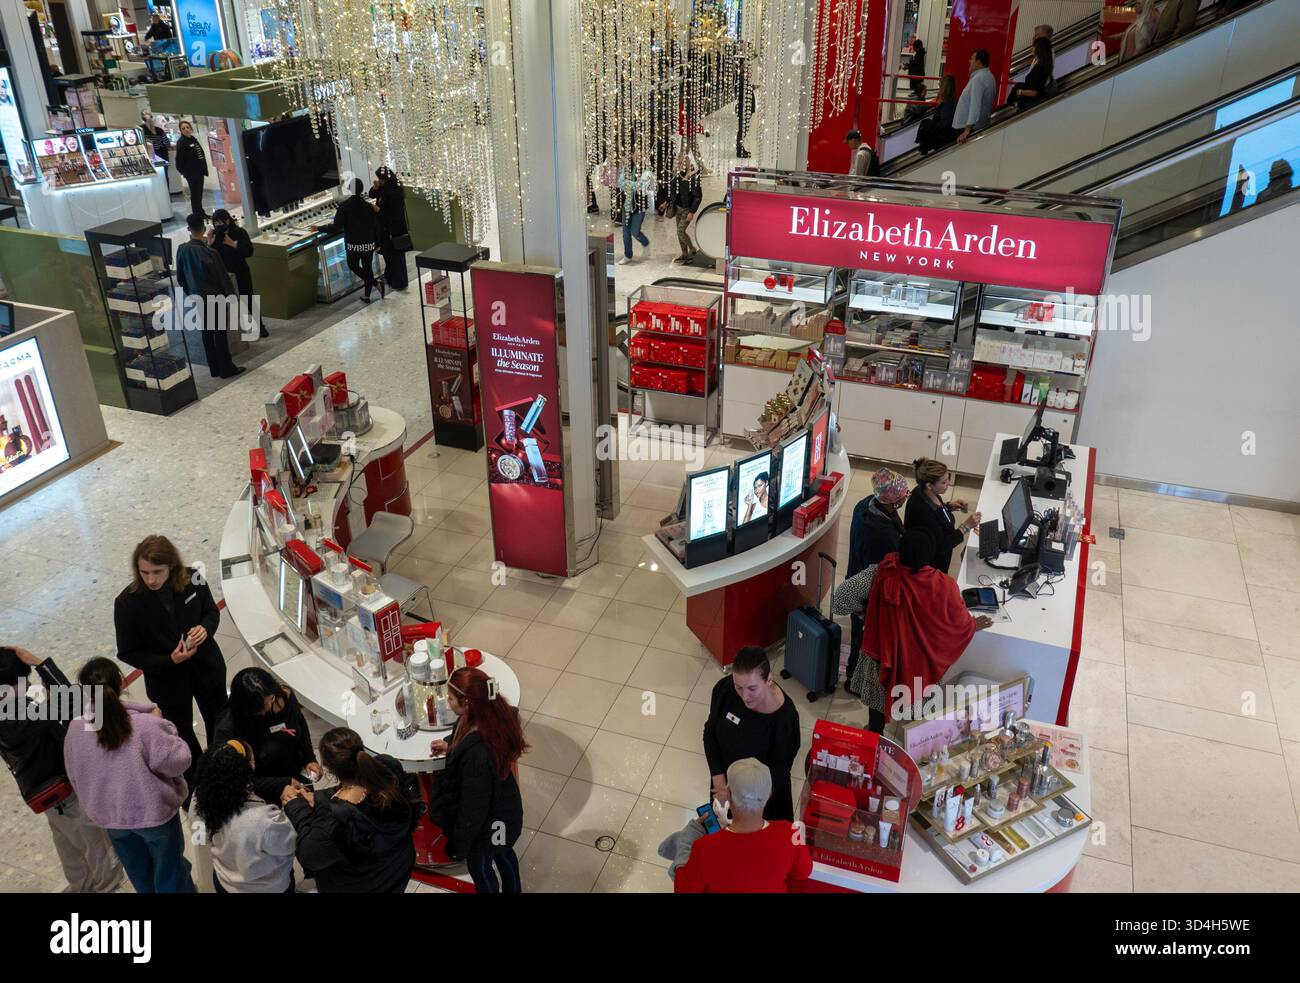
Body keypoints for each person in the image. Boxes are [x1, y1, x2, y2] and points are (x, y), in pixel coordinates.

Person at [63, 658, 194, 893]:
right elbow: (179, 761)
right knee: (170, 875)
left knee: (140, 876)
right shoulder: (145, 725)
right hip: (154, 815)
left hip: (112, 818)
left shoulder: (76, 729)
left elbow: (74, 774)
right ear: (121, 683)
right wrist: (162, 725)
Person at [0, 645, 123, 893]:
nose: (28, 684)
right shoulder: (16, 716)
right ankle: (107, 884)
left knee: (65, 840)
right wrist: (41, 663)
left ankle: (81, 884)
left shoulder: (10, 710)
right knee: (89, 839)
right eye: (24, 680)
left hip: (38, 787)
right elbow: (72, 701)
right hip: (60, 788)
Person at [114, 535, 228, 799]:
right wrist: (169, 661)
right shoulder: (127, 603)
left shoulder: (194, 578)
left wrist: (205, 630)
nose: (151, 579)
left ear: (172, 567)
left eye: (157, 572)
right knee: (181, 735)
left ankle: (221, 771)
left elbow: (211, 612)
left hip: (207, 669)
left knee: (218, 724)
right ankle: (198, 786)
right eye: (145, 573)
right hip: (168, 681)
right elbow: (128, 652)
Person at [855, 530, 993, 722]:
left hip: (882, 658)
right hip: (921, 666)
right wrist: (972, 626)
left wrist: (869, 613)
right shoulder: (944, 585)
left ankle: (875, 739)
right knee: (919, 717)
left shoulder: (881, 572)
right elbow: (958, 624)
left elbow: (841, 601)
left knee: (878, 706)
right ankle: (914, 746)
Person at [280, 727, 418, 893]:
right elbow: (345, 792)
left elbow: (309, 855)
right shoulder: (387, 771)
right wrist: (316, 798)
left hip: (360, 884)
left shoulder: (336, 818)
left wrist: (296, 806)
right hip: (397, 870)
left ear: (329, 769)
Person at [427, 667, 527, 893]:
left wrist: (459, 845)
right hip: (503, 814)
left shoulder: (477, 757)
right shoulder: (490, 717)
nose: (447, 701)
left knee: (481, 867)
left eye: (451, 697)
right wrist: (451, 746)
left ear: (467, 702)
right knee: (504, 853)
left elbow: (472, 810)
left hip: (486, 825)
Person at [674, 758, 813, 894]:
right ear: (769, 794)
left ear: (728, 794)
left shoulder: (704, 848)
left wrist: (687, 840)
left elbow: (683, 889)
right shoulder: (790, 832)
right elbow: (804, 872)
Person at [702, 646, 801, 822]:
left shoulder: (785, 720)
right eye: (738, 687)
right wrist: (720, 787)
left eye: (752, 688)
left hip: (762, 802)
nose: (745, 696)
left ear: (769, 680)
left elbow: (778, 773)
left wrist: (745, 810)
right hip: (726, 789)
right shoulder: (724, 691)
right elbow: (710, 735)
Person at [193, 740, 297, 893]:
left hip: (225, 881)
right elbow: (289, 845)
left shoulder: (200, 798)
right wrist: (290, 805)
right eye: (253, 761)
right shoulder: (263, 818)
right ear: (244, 770)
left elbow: (199, 837)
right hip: (267, 887)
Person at [843, 468, 908, 695]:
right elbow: (878, 573)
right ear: (892, 500)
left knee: (860, 638)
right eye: (901, 498)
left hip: (857, 582)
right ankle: (854, 680)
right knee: (863, 641)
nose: (903, 500)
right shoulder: (878, 533)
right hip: (866, 596)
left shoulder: (866, 503)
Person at [211, 668, 320, 797]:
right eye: (259, 709)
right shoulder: (227, 729)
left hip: (296, 773)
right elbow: (237, 779)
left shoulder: (283, 695)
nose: (268, 707)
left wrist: (309, 758)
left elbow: (300, 724)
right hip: (264, 789)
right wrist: (283, 783)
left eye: (271, 699)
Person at [176, 213, 243, 378]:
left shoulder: (182, 250)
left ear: (188, 229)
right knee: (220, 334)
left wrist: (189, 292)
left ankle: (214, 368)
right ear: (204, 229)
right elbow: (222, 279)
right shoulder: (211, 253)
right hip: (215, 298)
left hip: (197, 297)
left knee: (207, 333)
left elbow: (180, 277)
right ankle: (226, 368)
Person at [904, 457, 981, 574]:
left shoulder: (925, 491)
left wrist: (948, 506)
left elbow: (937, 511)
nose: (948, 484)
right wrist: (966, 526)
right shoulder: (921, 511)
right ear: (929, 485)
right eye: (944, 482)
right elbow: (941, 545)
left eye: (948, 479)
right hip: (932, 565)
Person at [316, 178, 382, 302]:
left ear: (349, 189)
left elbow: (336, 227)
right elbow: (375, 225)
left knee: (353, 265)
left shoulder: (344, 206)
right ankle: (368, 294)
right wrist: (377, 242)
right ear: (362, 189)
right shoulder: (369, 206)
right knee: (368, 268)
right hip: (368, 243)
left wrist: (319, 228)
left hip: (353, 244)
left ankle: (375, 284)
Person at [209, 208, 267, 339]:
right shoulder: (214, 236)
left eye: (220, 223)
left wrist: (233, 244)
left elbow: (249, 252)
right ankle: (236, 332)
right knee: (230, 303)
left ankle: (260, 326)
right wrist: (210, 244)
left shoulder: (239, 232)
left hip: (241, 270)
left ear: (228, 221)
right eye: (215, 223)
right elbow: (210, 257)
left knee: (249, 299)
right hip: (225, 274)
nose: (218, 226)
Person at [369, 167, 410, 291]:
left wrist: (379, 210)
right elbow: (372, 194)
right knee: (389, 256)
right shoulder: (384, 188)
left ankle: (399, 282)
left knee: (396, 257)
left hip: (393, 231)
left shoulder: (394, 192)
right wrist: (375, 188)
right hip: (385, 230)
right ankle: (391, 278)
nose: (379, 181)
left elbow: (395, 216)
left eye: (380, 179)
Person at [617, 152, 652, 265]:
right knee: (625, 233)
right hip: (627, 204)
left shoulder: (646, 170)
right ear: (632, 155)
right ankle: (628, 255)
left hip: (639, 206)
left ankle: (645, 243)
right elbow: (620, 183)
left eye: (641, 155)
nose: (638, 157)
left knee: (634, 231)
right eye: (636, 155)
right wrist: (634, 184)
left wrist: (629, 184)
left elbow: (642, 186)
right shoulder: (626, 167)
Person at [953, 49, 995, 143]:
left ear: (978, 62)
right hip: (979, 124)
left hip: (968, 127)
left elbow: (975, 105)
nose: (969, 61)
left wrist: (967, 130)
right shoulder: (989, 76)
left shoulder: (979, 79)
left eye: (972, 59)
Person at [669, 152, 703, 264]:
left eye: (682, 161)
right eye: (678, 161)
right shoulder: (677, 175)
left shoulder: (693, 177)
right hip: (678, 207)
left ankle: (692, 249)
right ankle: (684, 253)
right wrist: (667, 202)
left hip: (687, 209)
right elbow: (673, 191)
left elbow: (698, 196)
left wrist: (692, 211)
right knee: (679, 231)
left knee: (680, 231)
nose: (679, 163)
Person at [1230, 159, 1296, 212]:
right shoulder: (1263, 195)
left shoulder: (1263, 195)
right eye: (1288, 176)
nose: (1290, 181)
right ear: (1280, 176)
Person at [173, 120, 208, 219]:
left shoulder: (193, 139)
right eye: (183, 128)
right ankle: (197, 214)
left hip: (199, 171)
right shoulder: (181, 142)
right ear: (180, 131)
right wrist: (184, 172)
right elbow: (179, 160)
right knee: (195, 194)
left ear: (191, 128)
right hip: (192, 173)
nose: (186, 130)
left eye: (187, 127)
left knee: (199, 193)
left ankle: (201, 212)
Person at [917, 74, 959, 155]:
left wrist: (933, 126)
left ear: (944, 87)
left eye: (940, 86)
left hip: (943, 140)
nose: (939, 89)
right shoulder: (949, 102)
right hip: (944, 137)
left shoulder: (948, 104)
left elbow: (945, 124)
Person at [1012, 35, 1054, 112]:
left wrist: (1020, 92)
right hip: (1031, 102)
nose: (1032, 48)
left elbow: (1034, 92)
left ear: (1039, 48)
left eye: (1034, 46)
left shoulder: (1039, 68)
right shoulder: (1045, 64)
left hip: (1029, 104)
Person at [140, 111, 171, 188]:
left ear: (142, 118)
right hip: (162, 155)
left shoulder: (140, 130)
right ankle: (166, 194)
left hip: (148, 156)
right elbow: (167, 143)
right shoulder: (159, 130)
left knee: (153, 177)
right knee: (164, 175)